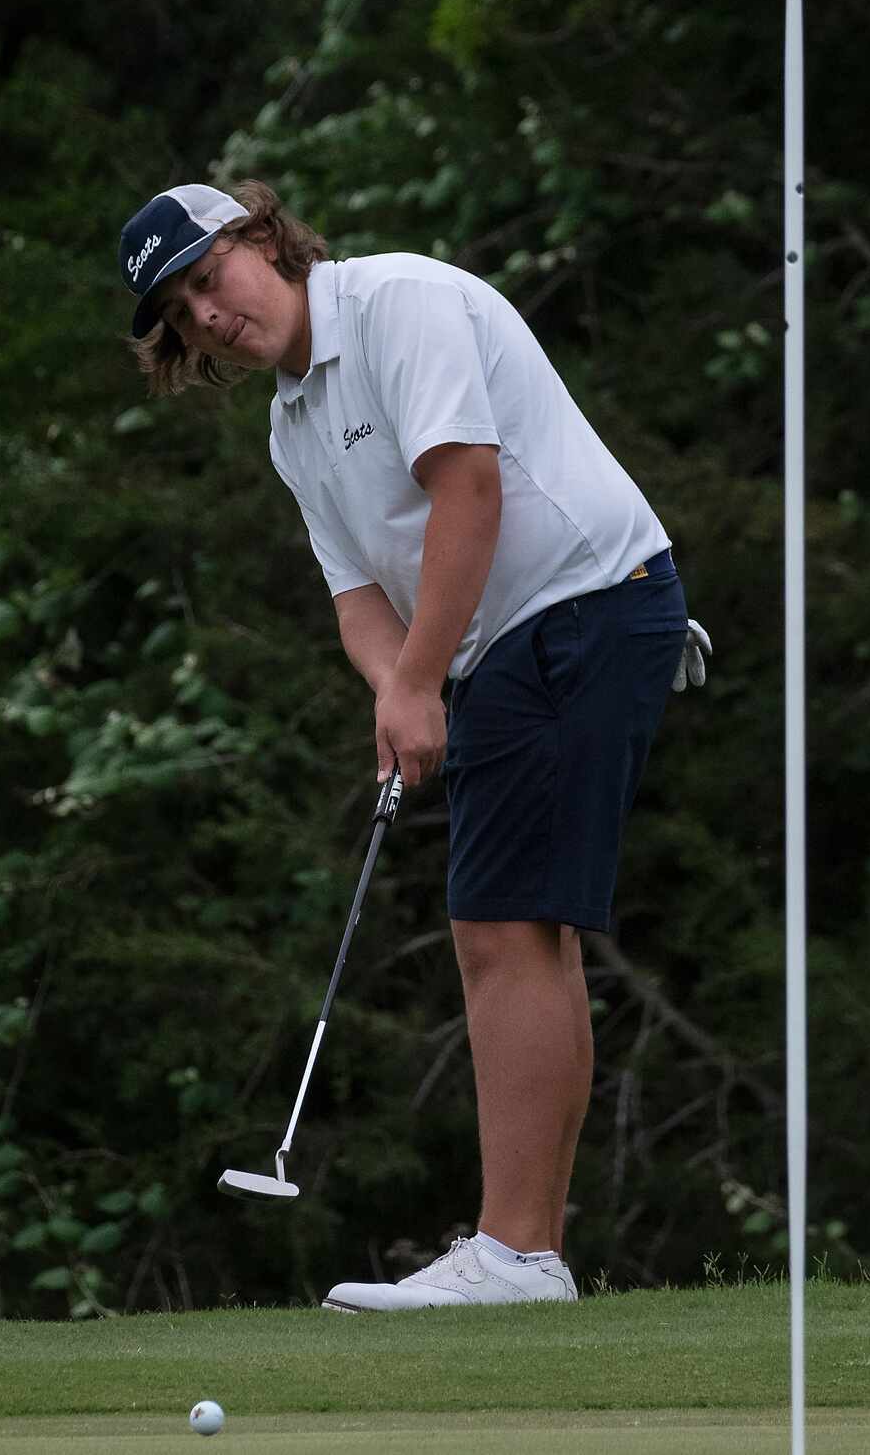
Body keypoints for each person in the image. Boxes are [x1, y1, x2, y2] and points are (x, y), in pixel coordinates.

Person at [118, 179, 710, 1312]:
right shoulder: (293, 426)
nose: (208, 315)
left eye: (209, 278)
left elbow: (468, 493)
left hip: (583, 602)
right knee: (512, 922)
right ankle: (523, 1250)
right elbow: (356, 601)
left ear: (262, 240)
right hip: (519, 638)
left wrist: (423, 683)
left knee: (502, 922)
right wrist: (401, 692)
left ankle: (519, 1254)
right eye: (181, 314)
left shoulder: (398, 304)